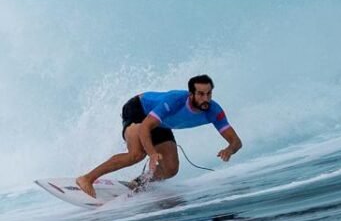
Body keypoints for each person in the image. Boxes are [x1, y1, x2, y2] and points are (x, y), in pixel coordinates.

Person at [75, 74, 242, 198]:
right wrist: (152, 153)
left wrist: (230, 149)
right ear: (191, 94)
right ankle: (87, 178)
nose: (205, 99)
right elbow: (145, 128)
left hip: (161, 123)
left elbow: (236, 141)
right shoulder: (175, 101)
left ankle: (138, 183)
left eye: (209, 94)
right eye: (200, 94)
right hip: (138, 109)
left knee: (170, 168)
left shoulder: (214, 111)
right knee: (137, 154)